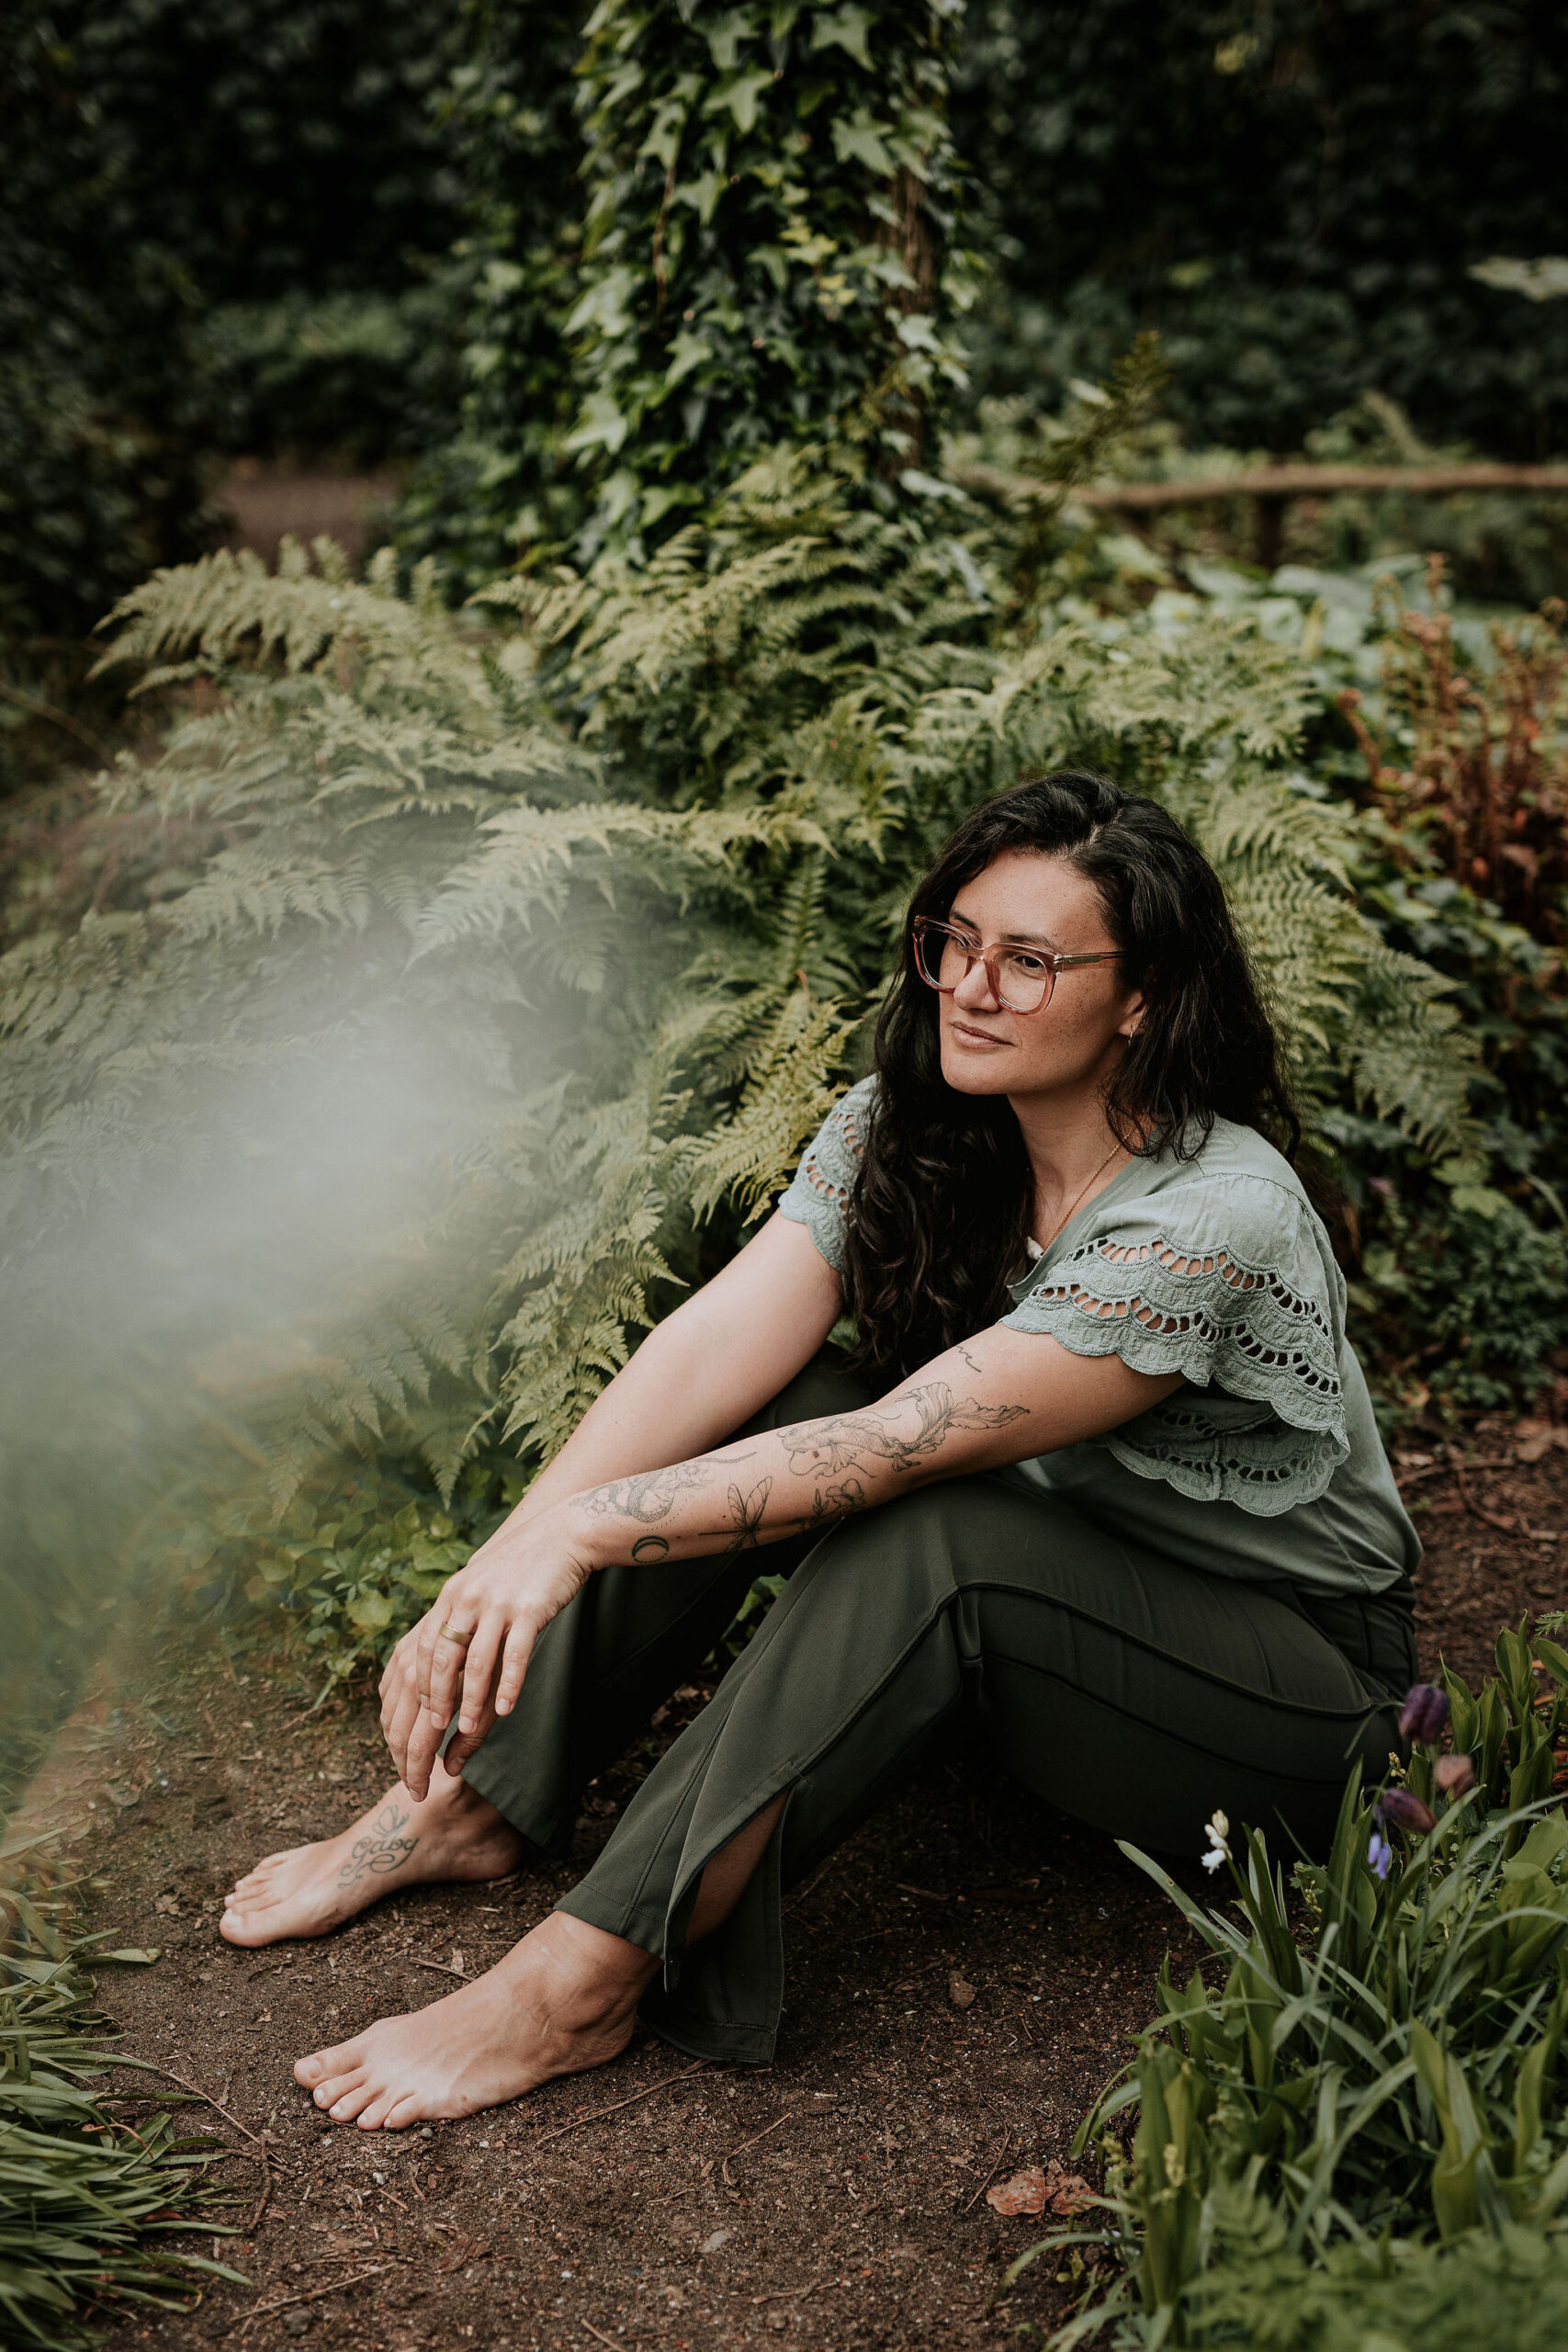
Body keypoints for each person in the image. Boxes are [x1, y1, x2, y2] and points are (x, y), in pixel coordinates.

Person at [220, 771, 1419, 2132]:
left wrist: (580, 1534)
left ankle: (580, 1979)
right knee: (771, 1400)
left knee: (928, 1525)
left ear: (1141, 996)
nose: (969, 987)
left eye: (1029, 962)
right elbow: (717, 1344)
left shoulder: (1213, 1218)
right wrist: (514, 1544)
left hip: (1284, 1696)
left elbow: (899, 1445)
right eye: (953, 942)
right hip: (1064, 1607)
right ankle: (470, 1799)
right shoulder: (922, 1121)